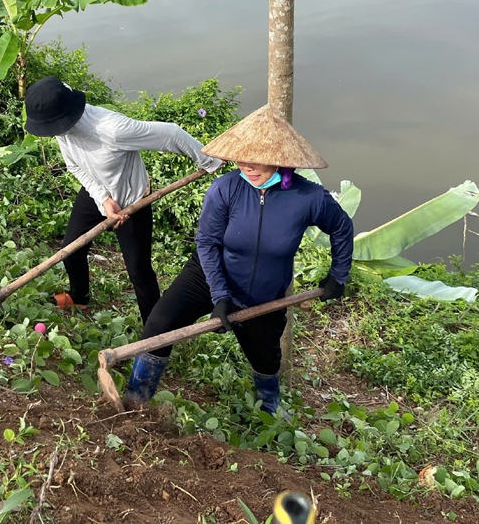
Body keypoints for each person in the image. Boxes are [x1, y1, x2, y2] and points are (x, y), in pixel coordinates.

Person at [123, 105, 354, 413]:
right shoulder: (225, 189)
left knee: (266, 358)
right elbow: (206, 242)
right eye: (242, 157)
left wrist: (338, 275)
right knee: (160, 322)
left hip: (264, 290)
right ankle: (135, 399)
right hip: (210, 273)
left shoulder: (308, 198)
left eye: (258, 159)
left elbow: (342, 227)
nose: (248, 166)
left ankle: (269, 409)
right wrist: (220, 296)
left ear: (281, 158)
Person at [24, 76, 223, 323]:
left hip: (132, 201)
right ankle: (80, 298)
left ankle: (153, 332)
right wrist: (103, 199)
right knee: (71, 250)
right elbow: (75, 166)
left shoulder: (113, 130)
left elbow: (171, 133)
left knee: (138, 272)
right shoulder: (61, 128)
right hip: (95, 192)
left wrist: (209, 161)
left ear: (66, 114)